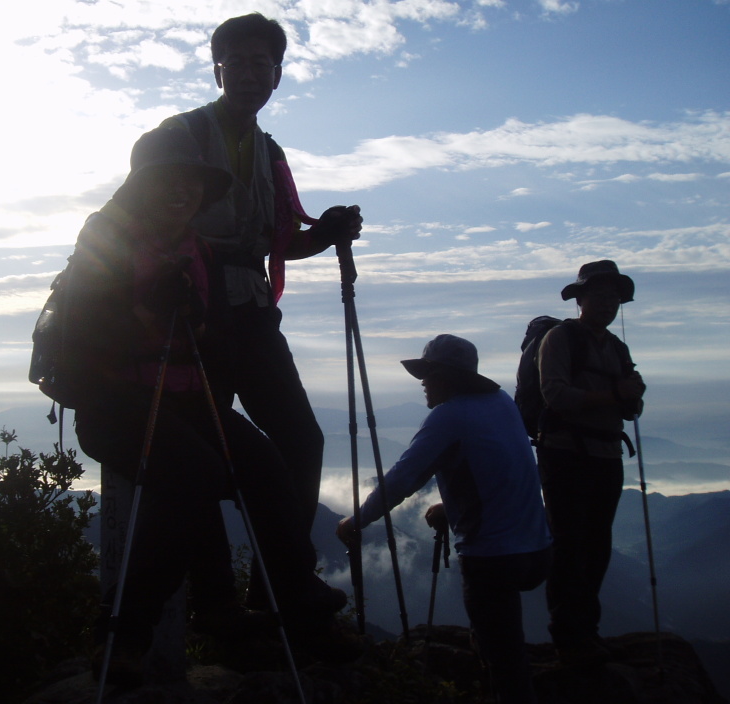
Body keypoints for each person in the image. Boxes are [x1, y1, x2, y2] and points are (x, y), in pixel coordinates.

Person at [67, 127, 353, 685]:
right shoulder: (106, 239)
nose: (182, 190)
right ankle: (124, 633)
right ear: (140, 186)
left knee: (267, 466)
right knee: (195, 473)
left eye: (192, 181)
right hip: (115, 404)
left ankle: (295, 602)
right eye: (167, 179)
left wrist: (195, 318)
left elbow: (212, 331)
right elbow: (85, 338)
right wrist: (148, 317)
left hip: (182, 402)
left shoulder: (195, 247)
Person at [160, 13, 364, 540]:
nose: (250, 74)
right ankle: (220, 594)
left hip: (250, 312)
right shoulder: (179, 136)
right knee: (206, 447)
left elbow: (274, 246)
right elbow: (149, 222)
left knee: (302, 441)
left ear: (277, 75)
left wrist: (325, 233)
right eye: (238, 63)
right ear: (217, 71)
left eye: (262, 64)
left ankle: (283, 579)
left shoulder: (271, 152)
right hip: (192, 312)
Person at [336, 335, 552, 704]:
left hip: (493, 558)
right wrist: (450, 508)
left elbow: (403, 480)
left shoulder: (449, 417)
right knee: (501, 646)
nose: (423, 382)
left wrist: (356, 520)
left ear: (448, 378)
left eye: (429, 374)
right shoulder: (501, 403)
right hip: (538, 549)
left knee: (506, 664)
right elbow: (502, 473)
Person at [536, 260, 646, 665]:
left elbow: (631, 407)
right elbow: (556, 396)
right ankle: (568, 635)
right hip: (565, 453)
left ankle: (587, 631)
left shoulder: (616, 348)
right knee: (569, 544)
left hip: (605, 454)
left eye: (615, 297)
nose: (608, 304)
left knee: (597, 545)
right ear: (580, 299)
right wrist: (617, 394)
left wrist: (630, 395)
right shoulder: (560, 339)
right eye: (600, 296)